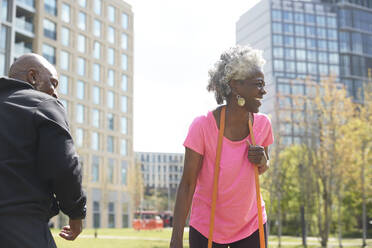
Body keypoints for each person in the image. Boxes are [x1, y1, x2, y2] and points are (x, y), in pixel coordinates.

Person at [170, 46, 274, 248]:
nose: (264, 91)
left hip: (252, 224)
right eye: (258, 84)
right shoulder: (202, 127)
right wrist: (176, 239)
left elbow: (263, 167)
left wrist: (263, 160)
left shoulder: (262, 124)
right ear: (236, 86)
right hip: (207, 227)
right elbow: (188, 184)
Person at [0, 54, 86, 247]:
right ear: (33, 77)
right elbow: (64, 166)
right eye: (53, 83)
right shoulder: (44, 104)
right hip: (22, 229)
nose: (55, 93)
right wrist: (76, 213)